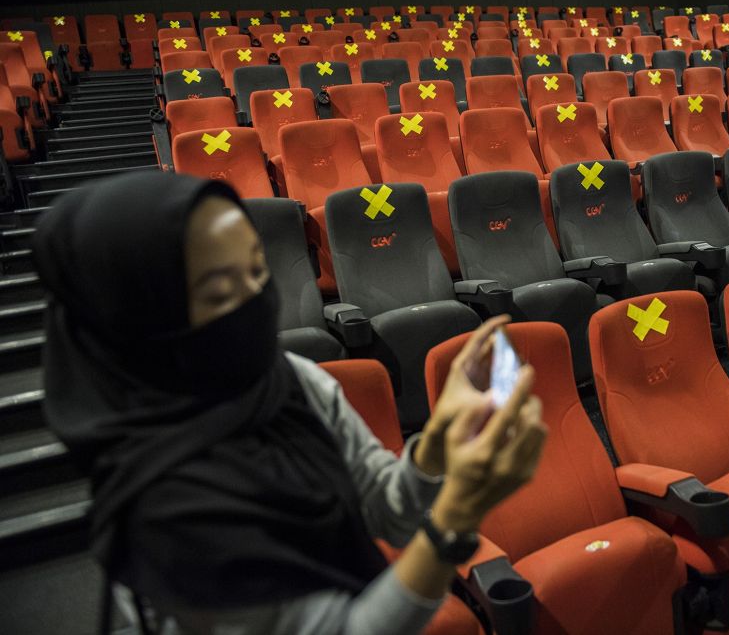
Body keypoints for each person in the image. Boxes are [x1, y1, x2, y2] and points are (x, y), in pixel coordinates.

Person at [33, 173, 547, 634]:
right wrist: (457, 515)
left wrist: (436, 444)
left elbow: (384, 509)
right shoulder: (166, 514)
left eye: (258, 273)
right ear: (136, 319)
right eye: (219, 292)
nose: (256, 302)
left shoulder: (287, 380)